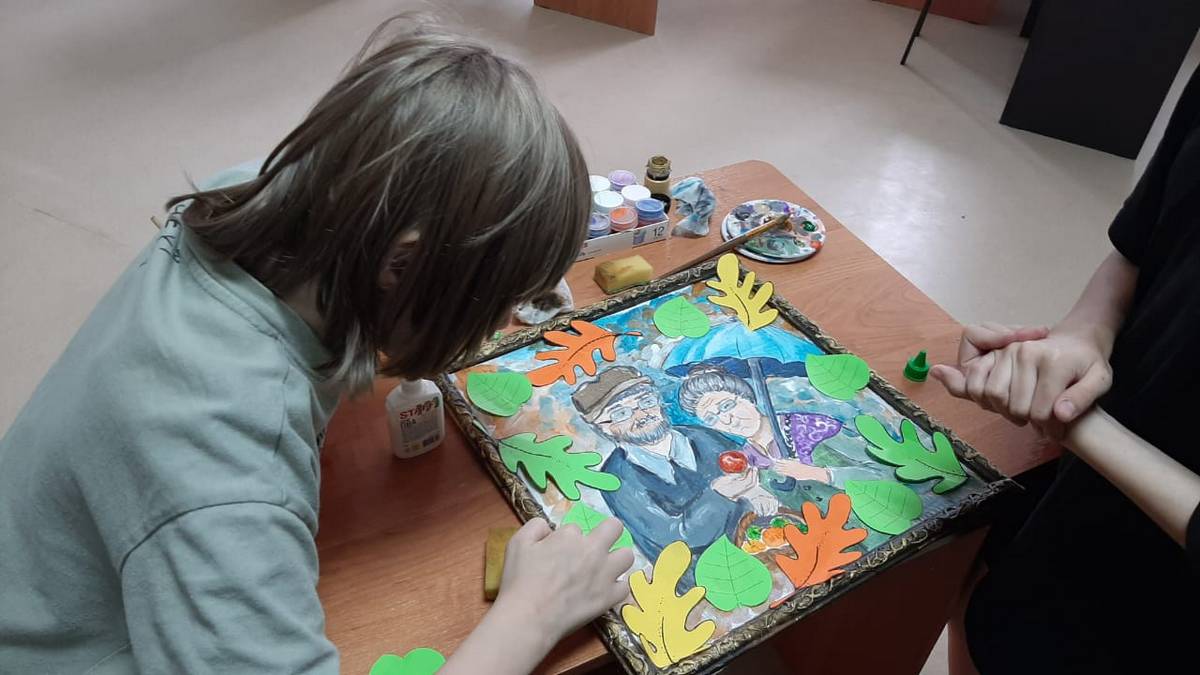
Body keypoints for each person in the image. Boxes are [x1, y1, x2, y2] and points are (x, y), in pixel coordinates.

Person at [0, 17, 633, 675]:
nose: (504, 322)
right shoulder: (227, 476)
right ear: (402, 265)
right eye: (497, 301)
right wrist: (533, 613)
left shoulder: (275, 194)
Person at [930, 65, 1200, 675]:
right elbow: (1140, 246)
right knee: (978, 602)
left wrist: (1076, 422)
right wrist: (1082, 336)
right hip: (1083, 481)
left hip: (1167, 613)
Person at [573, 366, 775, 572]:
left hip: (764, 546)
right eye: (621, 413)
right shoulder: (616, 479)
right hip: (710, 577)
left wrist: (755, 491)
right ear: (603, 427)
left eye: (646, 401)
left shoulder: (703, 437)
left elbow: (748, 471)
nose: (642, 415)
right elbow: (677, 539)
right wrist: (719, 495)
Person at [677, 363, 881, 489]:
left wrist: (818, 474)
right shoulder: (747, 459)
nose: (727, 420)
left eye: (727, 406)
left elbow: (881, 473)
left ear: (747, 397)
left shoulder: (812, 427)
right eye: (712, 419)